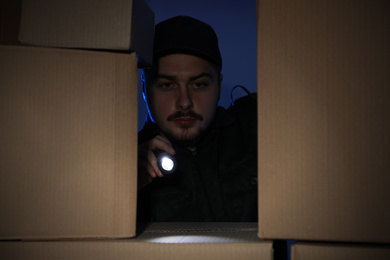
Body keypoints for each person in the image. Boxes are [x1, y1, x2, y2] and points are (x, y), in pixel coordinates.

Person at [137, 15, 257, 222]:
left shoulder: (256, 126)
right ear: (144, 89)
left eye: (198, 84)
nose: (184, 102)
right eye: (167, 85)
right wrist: (122, 185)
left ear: (218, 85)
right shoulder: (121, 162)